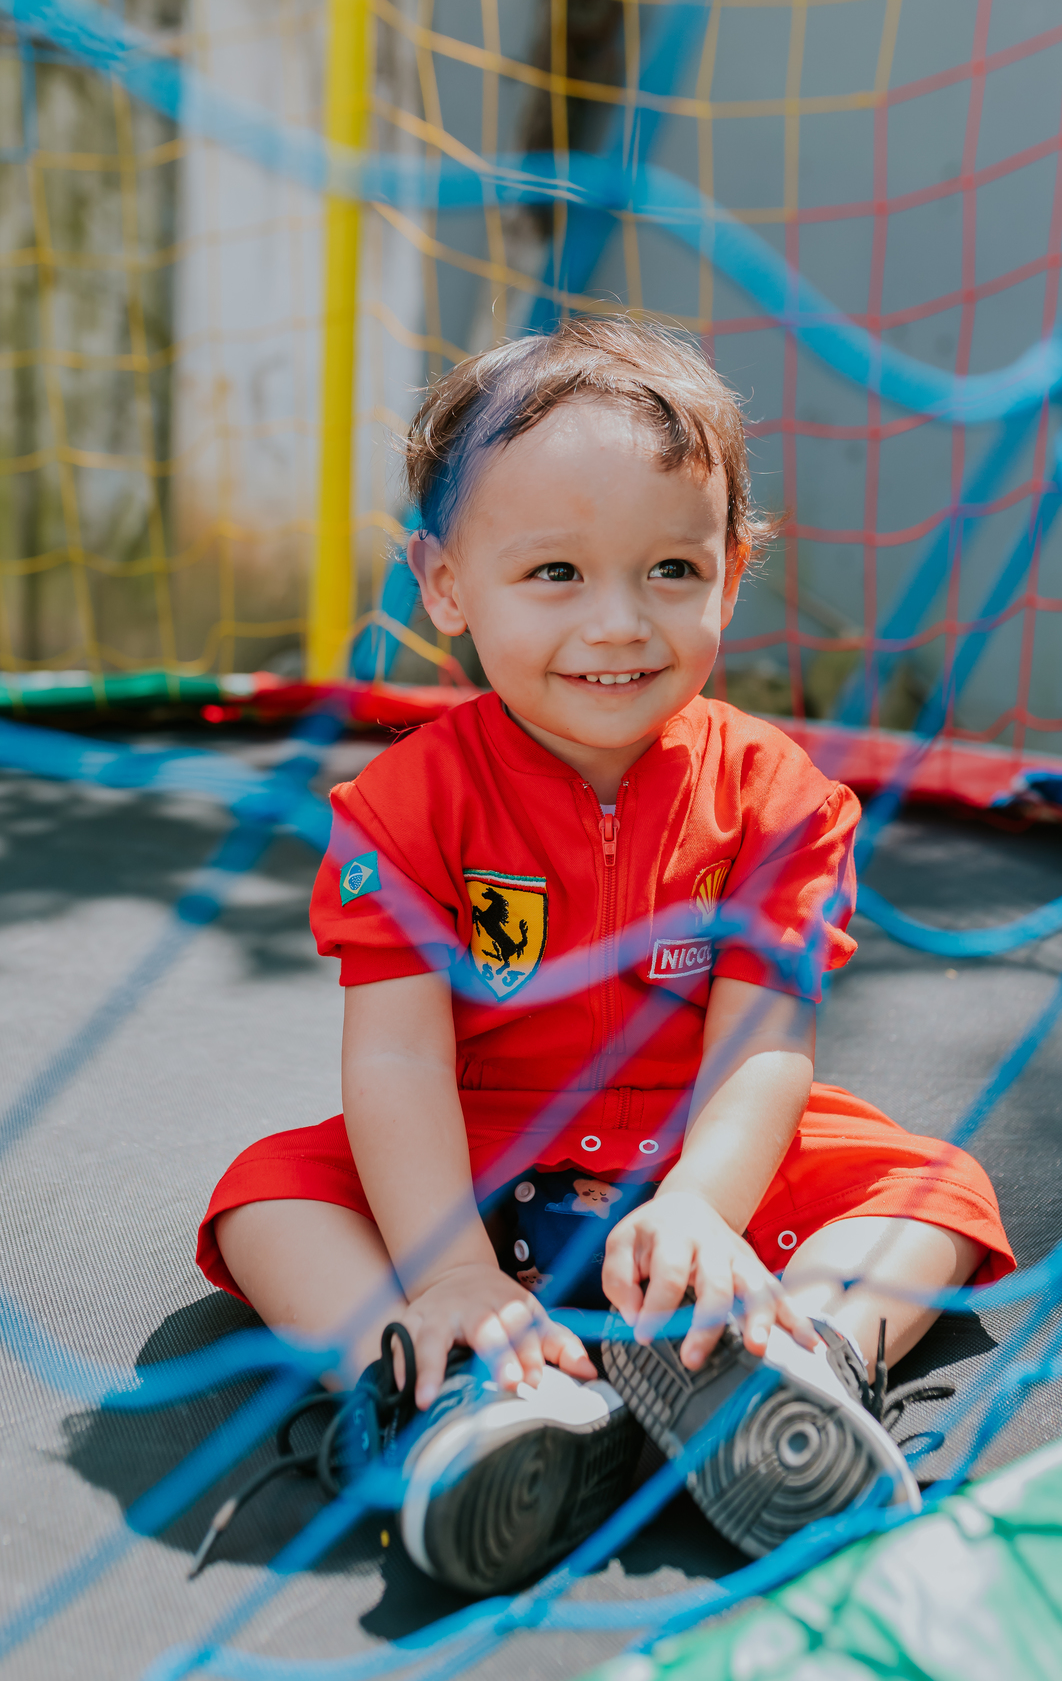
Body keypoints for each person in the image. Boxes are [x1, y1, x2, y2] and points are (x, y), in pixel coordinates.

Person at [195, 319, 1014, 1594]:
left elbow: (762, 1047)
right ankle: (439, 1385)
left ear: (733, 572)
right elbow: (400, 1056)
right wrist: (451, 1266)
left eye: (672, 570)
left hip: (699, 1161)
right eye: (557, 574)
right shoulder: (400, 812)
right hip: (476, 1159)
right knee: (265, 1199)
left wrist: (700, 1204)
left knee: (941, 1192)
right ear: (446, 582)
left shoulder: (782, 797)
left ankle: (809, 1364)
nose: (620, 625)